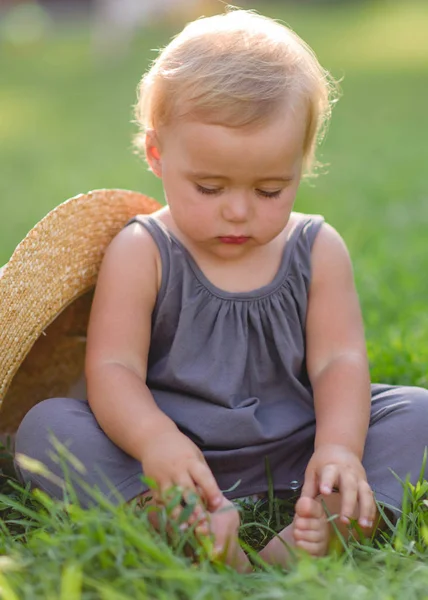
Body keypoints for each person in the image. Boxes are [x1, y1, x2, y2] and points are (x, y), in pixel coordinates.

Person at [14, 9, 428, 571]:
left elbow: (339, 360)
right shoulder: (142, 251)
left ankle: (328, 516)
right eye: (209, 187)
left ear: (301, 161)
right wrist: (156, 442)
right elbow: (112, 369)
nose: (238, 211)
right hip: (168, 458)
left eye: (270, 189)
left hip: (297, 446)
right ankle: (177, 521)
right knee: (48, 427)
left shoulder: (316, 247)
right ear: (157, 154)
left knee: (418, 414)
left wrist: (338, 449)